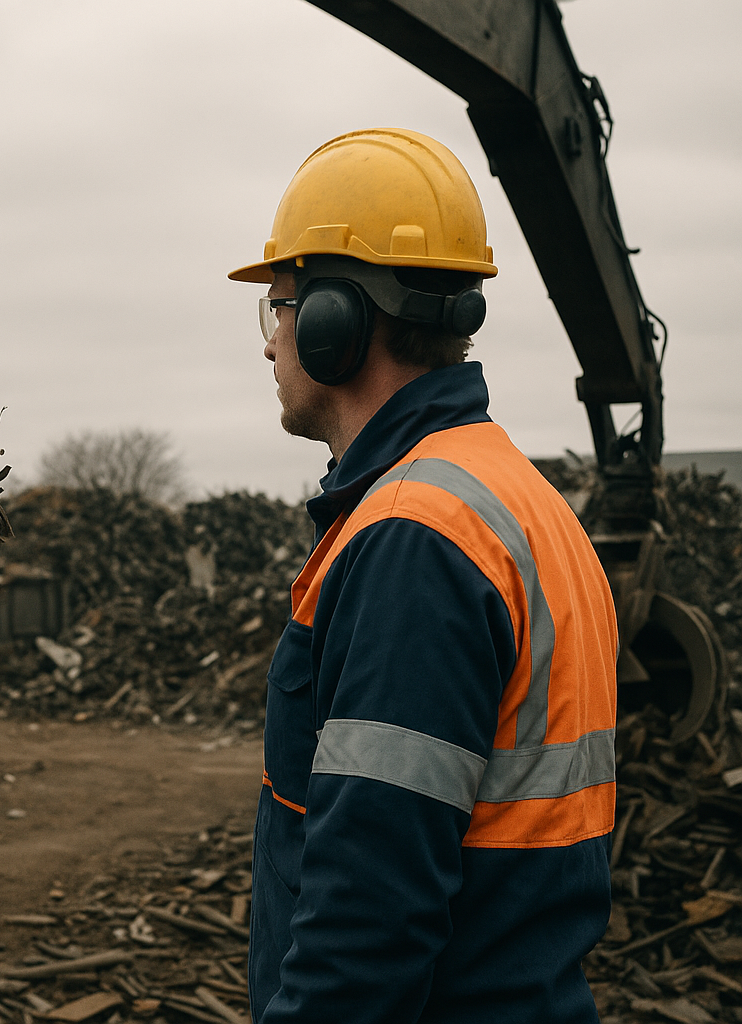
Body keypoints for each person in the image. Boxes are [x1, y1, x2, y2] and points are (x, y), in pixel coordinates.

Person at [226, 128, 619, 1023]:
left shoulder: (416, 537)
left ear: (336, 321)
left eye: (277, 307)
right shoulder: (523, 501)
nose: (267, 344)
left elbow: (370, 922)